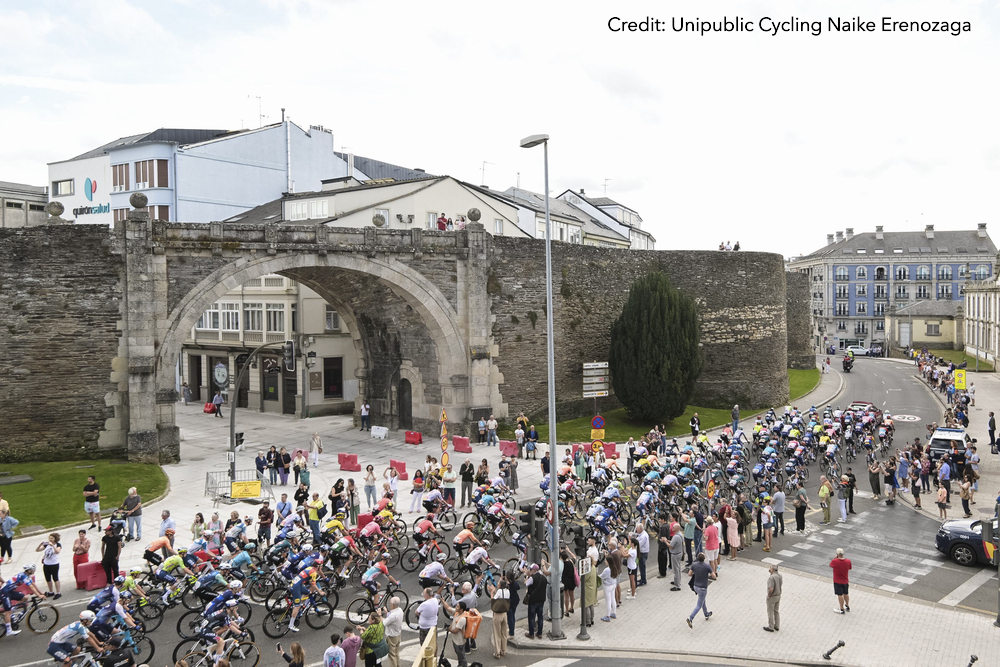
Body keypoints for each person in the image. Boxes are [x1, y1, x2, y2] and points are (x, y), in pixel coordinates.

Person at [685, 552, 716, 627]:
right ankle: (690, 618)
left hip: (696, 586)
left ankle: (706, 614)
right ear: (704, 559)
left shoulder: (694, 565)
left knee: (702, 600)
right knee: (699, 604)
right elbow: (714, 576)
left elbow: (689, 574)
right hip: (703, 587)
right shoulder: (707, 566)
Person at [487, 576, 510, 657]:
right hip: (504, 614)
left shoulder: (499, 591)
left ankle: (497, 652)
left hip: (498, 614)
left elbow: (494, 600)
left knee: (497, 633)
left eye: (498, 583)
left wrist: (491, 592)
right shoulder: (507, 591)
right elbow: (500, 598)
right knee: (504, 633)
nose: (497, 583)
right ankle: (504, 650)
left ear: (500, 586)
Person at [524, 563, 547, 639]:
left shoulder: (532, 578)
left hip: (533, 600)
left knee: (531, 617)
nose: (530, 571)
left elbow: (526, 584)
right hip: (541, 600)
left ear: (534, 570)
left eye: (530, 569)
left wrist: (526, 576)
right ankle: (539, 633)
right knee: (540, 616)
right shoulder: (544, 578)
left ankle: (531, 633)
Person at [37, 532, 63, 599]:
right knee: (48, 578)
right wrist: (40, 544)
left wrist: (53, 546)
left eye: (52, 538)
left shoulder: (58, 544)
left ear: (55, 539)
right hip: (46, 564)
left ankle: (58, 592)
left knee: (55, 578)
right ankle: (51, 591)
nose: (50, 539)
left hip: (54, 564)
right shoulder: (46, 545)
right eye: (49, 538)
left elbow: (57, 551)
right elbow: (37, 550)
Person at [830, 548, 852, 614]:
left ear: (837, 554)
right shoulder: (848, 561)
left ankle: (842, 609)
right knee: (846, 593)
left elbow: (831, 565)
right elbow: (850, 568)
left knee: (840, 595)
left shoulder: (835, 561)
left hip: (837, 581)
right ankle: (847, 606)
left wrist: (835, 558)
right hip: (845, 580)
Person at [383, 597, 403, 667]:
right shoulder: (400, 610)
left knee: (392, 655)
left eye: (390, 603)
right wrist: (387, 612)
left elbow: (384, 623)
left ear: (393, 605)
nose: (390, 605)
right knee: (396, 653)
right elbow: (391, 618)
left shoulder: (393, 615)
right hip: (398, 635)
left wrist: (379, 615)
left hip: (391, 637)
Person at [448, 601, 469, 667]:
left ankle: (463, 665)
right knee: (459, 655)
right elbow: (448, 608)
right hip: (456, 640)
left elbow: (455, 631)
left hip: (459, 642)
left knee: (462, 656)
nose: (456, 607)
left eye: (457, 606)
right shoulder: (457, 613)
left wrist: (449, 629)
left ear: (461, 609)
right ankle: (460, 665)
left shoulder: (462, 619)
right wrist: (443, 601)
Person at [764, 563, 782, 632]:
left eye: (770, 568)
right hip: (778, 595)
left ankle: (771, 626)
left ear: (773, 569)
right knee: (776, 611)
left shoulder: (771, 577)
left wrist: (769, 596)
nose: (769, 569)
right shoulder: (780, 576)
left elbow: (771, 588)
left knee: (770, 611)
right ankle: (777, 625)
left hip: (773, 596)